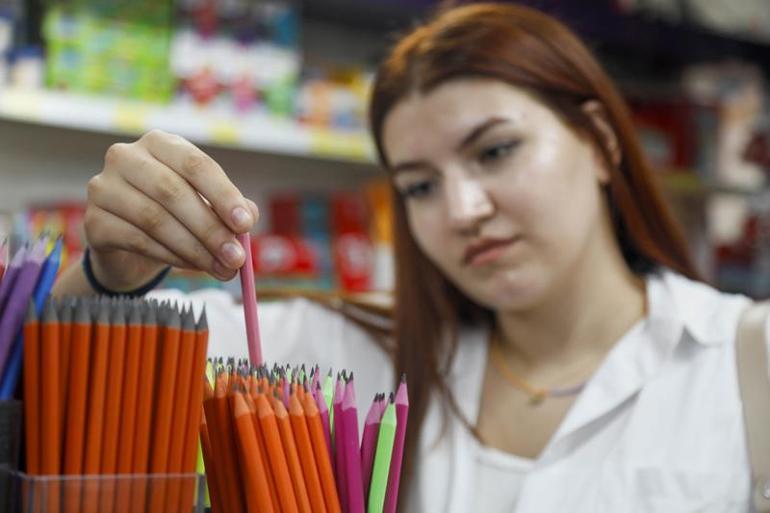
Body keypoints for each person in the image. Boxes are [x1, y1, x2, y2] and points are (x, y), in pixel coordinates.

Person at [52, 3, 766, 512]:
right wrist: (110, 271)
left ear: (602, 142)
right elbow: (71, 347)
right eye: (419, 185)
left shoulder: (746, 360)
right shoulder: (357, 349)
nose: (461, 210)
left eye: (495, 151)